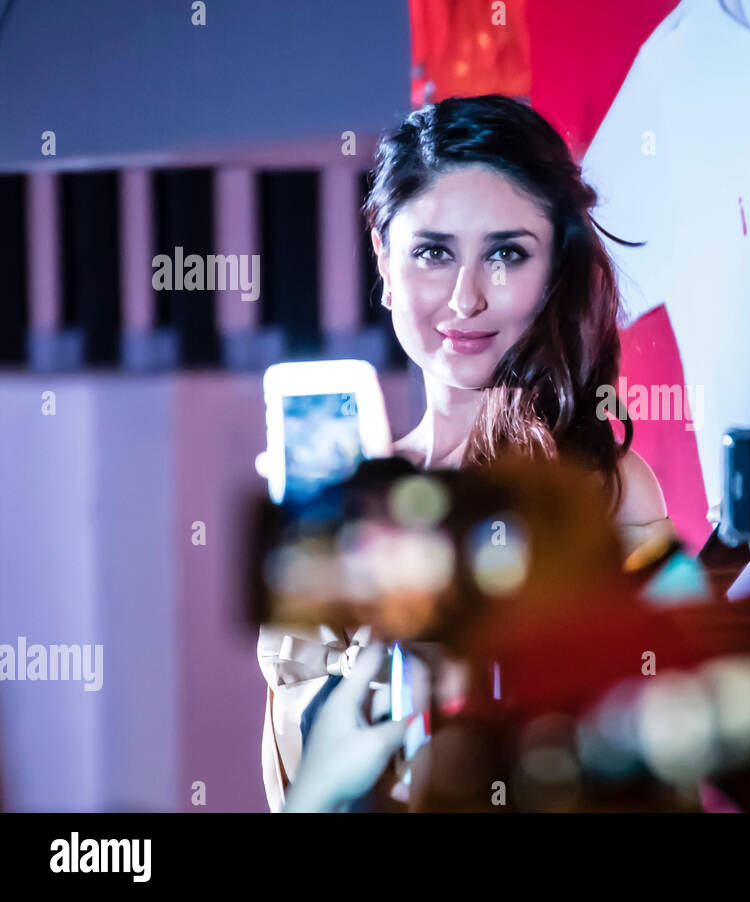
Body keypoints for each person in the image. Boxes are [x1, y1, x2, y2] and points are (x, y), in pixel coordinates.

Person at [259, 95, 673, 811]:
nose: (465, 299)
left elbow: (661, 753)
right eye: (433, 252)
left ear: (554, 271)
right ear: (384, 260)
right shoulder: (341, 498)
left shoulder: (604, 491)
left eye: (506, 254)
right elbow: (295, 775)